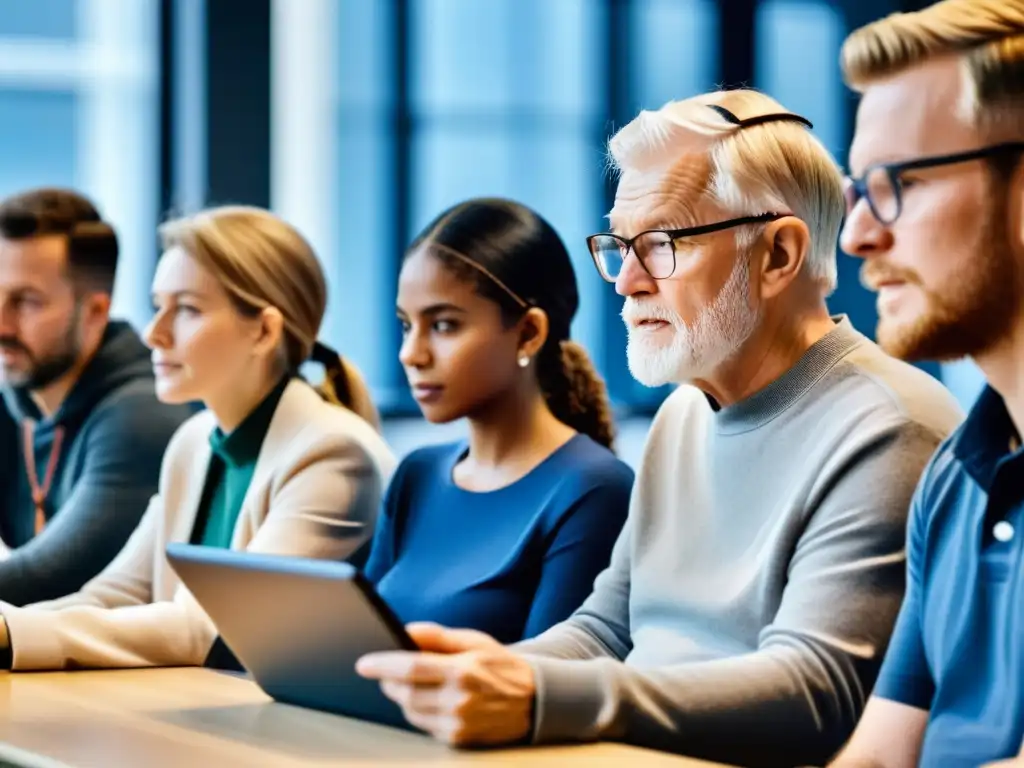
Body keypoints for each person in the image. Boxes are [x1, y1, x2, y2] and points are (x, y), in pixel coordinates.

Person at [355, 89, 965, 767]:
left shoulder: (889, 424)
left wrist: (536, 695)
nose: (627, 281)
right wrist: (482, 678)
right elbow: (606, 629)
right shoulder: (682, 413)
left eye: (662, 244)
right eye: (619, 246)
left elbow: (815, 691)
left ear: (778, 255)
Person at [0, 205, 396, 671]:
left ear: (264, 331)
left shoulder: (334, 455)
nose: (154, 334)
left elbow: (210, 627)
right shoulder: (194, 439)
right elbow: (117, 593)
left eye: (186, 309)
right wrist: (12, 630)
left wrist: (11, 633)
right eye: (156, 306)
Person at [826, 2, 1024, 767]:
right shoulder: (954, 479)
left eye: (897, 182)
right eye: (857, 191)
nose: (857, 237)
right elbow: (878, 755)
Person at [359, 198, 633, 643]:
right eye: (407, 325)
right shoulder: (416, 474)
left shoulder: (595, 490)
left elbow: (550, 687)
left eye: (444, 325)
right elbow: (357, 643)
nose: (411, 354)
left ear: (528, 333)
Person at [0, 188, 191, 606]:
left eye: (26, 302)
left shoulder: (143, 415)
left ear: (95, 312)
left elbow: (48, 580)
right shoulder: (14, 401)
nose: (3, 324)